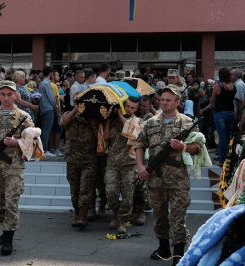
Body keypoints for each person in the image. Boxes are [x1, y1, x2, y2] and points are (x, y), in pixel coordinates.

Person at [135, 85, 201, 266]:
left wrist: (184, 147)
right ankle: (163, 247)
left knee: (178, 216)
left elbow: (199, 148)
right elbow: (139, 144)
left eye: (168, 100)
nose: (163, 103)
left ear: (177, 102)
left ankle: (178, 253)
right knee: (159, 215)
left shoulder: (187, 122)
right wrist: (140, 166)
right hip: (155, 178)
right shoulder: (151, 123)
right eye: (161, 100)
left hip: (178, 179)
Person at [0, 80, 34, 255]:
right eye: (2, 94)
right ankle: (5, 231)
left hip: (14, 168)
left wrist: (17, 142)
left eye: (9, 94)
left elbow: (34, 142)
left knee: (11, 202)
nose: (6, 98)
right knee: (0, 205)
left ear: (15, 95)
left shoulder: (24, 117)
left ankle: (8, 240)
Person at [58, 92, 97, 228]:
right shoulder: (69, 114)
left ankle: (82, 215)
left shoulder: (92, 115)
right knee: (74, 189)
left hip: (89, 159)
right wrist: (75, 109)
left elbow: (100, 135)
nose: (79, 103)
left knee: (85, 188)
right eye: (76, 101)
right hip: (72, 158)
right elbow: (63, 122)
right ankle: (77, 213)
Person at [104, 96, 142, 233]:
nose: (129, 109)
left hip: (129, 163)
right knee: (111, 191)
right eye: (128, 106)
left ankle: (121, 220)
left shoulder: (138, 121)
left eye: (133, 107)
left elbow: (133, 134)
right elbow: (106, 138)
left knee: (127, 194)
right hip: (113, 161)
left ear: (136, 109)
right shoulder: (114, 121)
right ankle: (116, 213)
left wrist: (120, 116)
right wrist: (108, 121)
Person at [211, 67, 236, 166]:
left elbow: (212, 102)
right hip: (231, 113)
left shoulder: (218, 86)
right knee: (228, 136)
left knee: (221, 137)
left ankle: (221, 160)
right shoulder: (233, 86)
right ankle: (228, 158)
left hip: (220, 113)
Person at [39, 67, 57, 157]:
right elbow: (51, 98)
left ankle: (44, 149)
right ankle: (45, 149)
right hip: (48, 108)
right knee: (47, 129)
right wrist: (55, 107)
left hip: (44, 108)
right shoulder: (46, 83)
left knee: (45, 129)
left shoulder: (42, 83)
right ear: (50, 73)